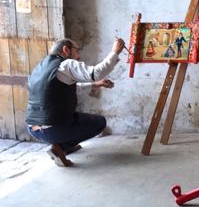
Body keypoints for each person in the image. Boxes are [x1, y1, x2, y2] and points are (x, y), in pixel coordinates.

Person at [25, 37, 125, 167]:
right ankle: (62, 147)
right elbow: (96, 72)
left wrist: (95, 85)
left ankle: (60, 146)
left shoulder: (40, 67)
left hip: (33, 129)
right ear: (66, 50)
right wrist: (115, 52)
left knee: (75, 118)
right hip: (54, 129)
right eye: (77, 50)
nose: (78, 56)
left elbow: (66, 88)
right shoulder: (66, 64)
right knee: (100, 122)